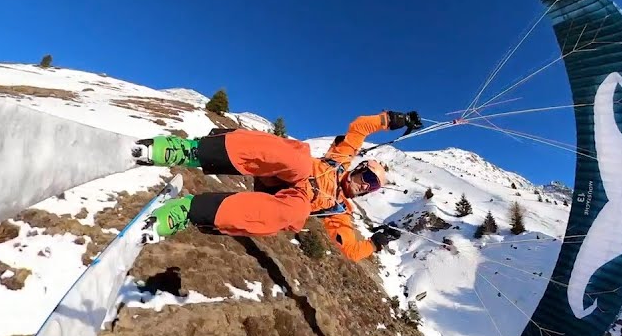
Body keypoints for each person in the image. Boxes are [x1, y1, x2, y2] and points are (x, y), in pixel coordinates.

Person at [132, 110, 422, 261]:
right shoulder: (340, 159)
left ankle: (189, 210)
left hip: (283, 198)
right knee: (298, 157)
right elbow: (360, 127)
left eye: (371, 188)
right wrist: (392, 119)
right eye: (367, 178)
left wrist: (376, 243)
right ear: (359, 168)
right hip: (280, 169)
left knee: (296, 215)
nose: (364, 186)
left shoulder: (339, 211)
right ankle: (189, 151)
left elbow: (352, 251)